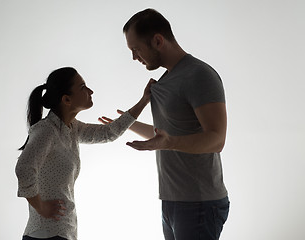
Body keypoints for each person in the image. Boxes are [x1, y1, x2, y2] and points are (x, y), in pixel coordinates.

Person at [104, 8, 230, 240]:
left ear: (158, 40)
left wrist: (169, 143)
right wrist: (126, 124)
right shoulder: (166, 79)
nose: (134, 57)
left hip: (199, 203)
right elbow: (166, 134)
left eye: (136, 49)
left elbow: (216, 139)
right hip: (172, 201)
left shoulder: (199, 75)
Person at [15, 67, 154, 240]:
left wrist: (144, 100)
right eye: (83, 87)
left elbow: (109, 132)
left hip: (64, 232)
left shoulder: (72, 128)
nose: (90, 91)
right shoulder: (47, 130)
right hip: (46, 234)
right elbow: (24, 169)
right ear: (66, 99)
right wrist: (40, 207)